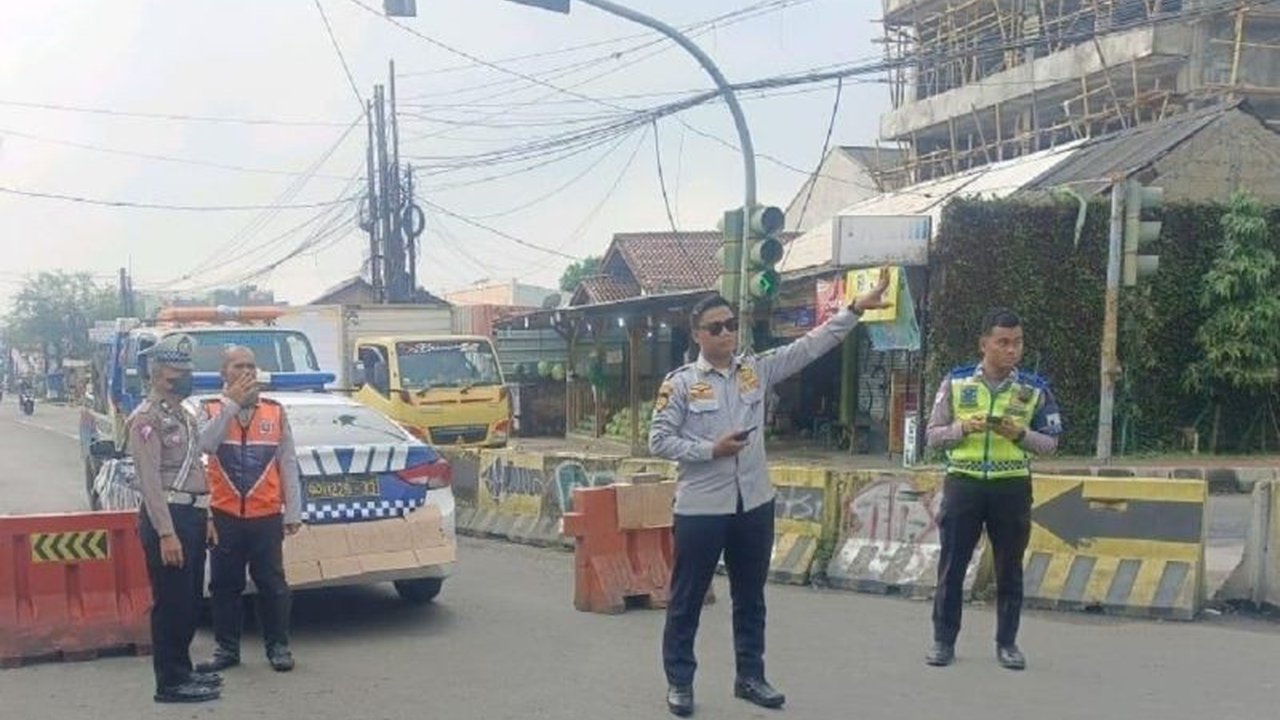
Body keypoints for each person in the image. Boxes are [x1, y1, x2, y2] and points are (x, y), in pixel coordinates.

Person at [650, 270, 892, 717]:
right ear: (697, 334)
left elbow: (809, 346)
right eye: (715, 327)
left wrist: (854, 309)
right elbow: (659, 440)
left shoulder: (754, 372)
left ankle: (751, 676)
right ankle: (680, 682)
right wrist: (710, 449)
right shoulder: (680, 383)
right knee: (686, 598)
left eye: (730, 325)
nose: (726, 333)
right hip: (702, 508)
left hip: (753, 504)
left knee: (750, 597)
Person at [924, 308, 1062, 671]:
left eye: (1017, 343)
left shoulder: (1034, 388)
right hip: (964, 485)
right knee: (952, 566)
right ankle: (943, 641)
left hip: (1011, 487)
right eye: (1002, 342)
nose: (1011, 350)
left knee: (1009, 568)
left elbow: (1050, 443)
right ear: (984, 344)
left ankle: (1007, 643)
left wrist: (1018, 434)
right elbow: (933, 435)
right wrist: (962, 429)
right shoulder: (955, 383)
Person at [129, 334, 227, 703]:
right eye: (177, 372)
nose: (186, 376)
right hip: (166, 517)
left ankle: (183, 671)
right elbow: (150, 482)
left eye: (188, 370)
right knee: (170, 603)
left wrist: (208, 515)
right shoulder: (146, 419)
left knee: (188, 601)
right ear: (158, 374)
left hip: (192, 513)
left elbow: (197, 470)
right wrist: (166, 533)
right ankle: (169, 682)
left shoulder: (184, 414)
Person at [196, 346, 302, 675]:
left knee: (272, 583)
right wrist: (229, 405)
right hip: (224, 513)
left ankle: (278, 646)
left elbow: (287, 462)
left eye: (251, 366)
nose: (246, 371)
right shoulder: (209, 408)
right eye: (238, 366)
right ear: (223, 374)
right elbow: (205, 445)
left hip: (265, 514)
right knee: (225, 586)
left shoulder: (274, 410)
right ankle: (227, 649)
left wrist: (293, 511)